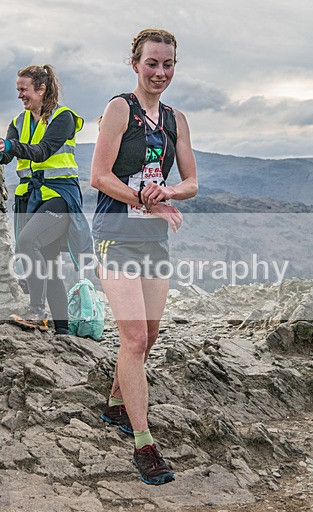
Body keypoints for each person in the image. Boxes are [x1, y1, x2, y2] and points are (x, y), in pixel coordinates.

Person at [90, 29, 198, 485]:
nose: (160, 72)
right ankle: (143, 442)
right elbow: (97, 176)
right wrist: (142, 198)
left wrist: (168, 190)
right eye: (152, 63)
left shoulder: (176, 119)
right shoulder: (120, 109)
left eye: (168, 64)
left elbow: (191, 181)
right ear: (134, 64)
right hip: (116, 233)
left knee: (148, 339)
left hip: (154, 240)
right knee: (133, 340)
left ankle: (116, 402)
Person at [0, 65, 92, 334]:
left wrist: (10, 146)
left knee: (27, 243)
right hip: (29, 197)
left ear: (41, 90)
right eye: (18, 89)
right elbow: (8, 156)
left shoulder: (63, 118)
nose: (19, 95)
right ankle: (63, 332)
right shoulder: (18, 122)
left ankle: (36, 311)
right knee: (49, 263)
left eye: (24, 89)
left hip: (58, 195)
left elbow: (42, 152)